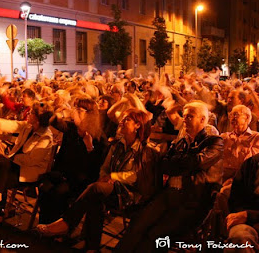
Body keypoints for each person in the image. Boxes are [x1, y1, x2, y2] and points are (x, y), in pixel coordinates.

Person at [36, 108, 160, 252]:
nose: (121, 122)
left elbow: (135, 176)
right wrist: (104, 176)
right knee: (96, 199)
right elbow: (105, 166)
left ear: (137, 125)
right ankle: (92, 248)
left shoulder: (144, 150)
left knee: (95, 189)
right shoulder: (117, 145)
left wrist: (112, 177)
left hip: (130, 193)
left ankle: (67, 223)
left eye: (127, 119)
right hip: (110, 189)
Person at [115, 101, 224, 252]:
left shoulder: (214, 142)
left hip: (191, 201)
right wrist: (183, 164)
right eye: (184, 116)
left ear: (203, 120)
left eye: (189, 117)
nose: (184, 120)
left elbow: (198, 162)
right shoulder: (181, 142)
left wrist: (178, 164)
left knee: (155, 234)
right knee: (138, 223)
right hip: (168, 194)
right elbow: (164, 164)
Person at [0, 101, 54, 229]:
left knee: (1, 170)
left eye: (31, 113)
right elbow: (12, 125)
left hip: (29, 172)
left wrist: (12, 158)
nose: (28, 114)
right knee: (1, 166)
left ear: (38, 117)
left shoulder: (46, 137)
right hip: (13, 166)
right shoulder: (28, 126)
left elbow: (31, 161)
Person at [37, 97, 107, 224]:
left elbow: (95, 167)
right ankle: (44, 224)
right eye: (75, 108)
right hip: (61, 173)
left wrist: (89, 147)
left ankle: (58, 227)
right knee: (44, 188)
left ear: (89, 115)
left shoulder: (98, 138)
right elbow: (52, 119)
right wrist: (43, 105)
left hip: (80, 180)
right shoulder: (71, 128)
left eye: (79, 110)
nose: (75, 112)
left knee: (59, 193)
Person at [225, 154, 259, 253]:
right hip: (251, 224)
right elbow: (236, 201)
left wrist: (250, 215)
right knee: (239, 236)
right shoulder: (251, 164)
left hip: (252, 217)